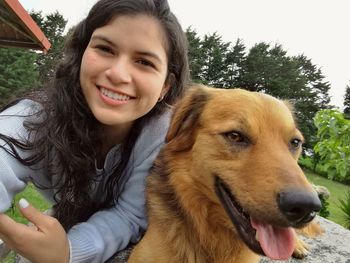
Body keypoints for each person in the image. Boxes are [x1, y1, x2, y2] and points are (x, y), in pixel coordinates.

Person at [0, 0, 189, 262]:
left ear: (165, 87)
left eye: (144, 62)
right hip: (67, 215)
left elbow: (128, 214)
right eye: (105, 48)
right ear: (81, 53)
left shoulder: (164, 138)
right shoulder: (37, 117)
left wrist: (69, 251)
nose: (118, 74)